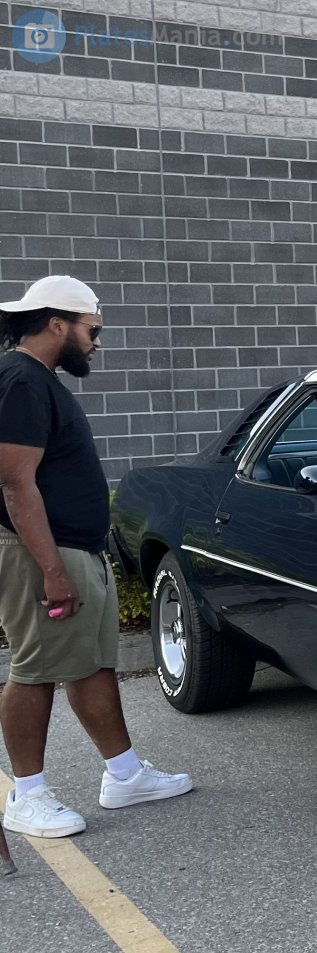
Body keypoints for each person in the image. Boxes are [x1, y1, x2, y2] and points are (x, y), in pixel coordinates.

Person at [0, 276, 191, 839]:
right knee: (34, 672)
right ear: (58, 323)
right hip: (42, 553)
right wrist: (54, 571)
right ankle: (26, 795)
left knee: (92, 664)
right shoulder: (21, 381)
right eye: (93, 329)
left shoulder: (40, 380)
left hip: (71, 548)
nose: (98, 341)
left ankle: (124, 774)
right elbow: (14, 483)